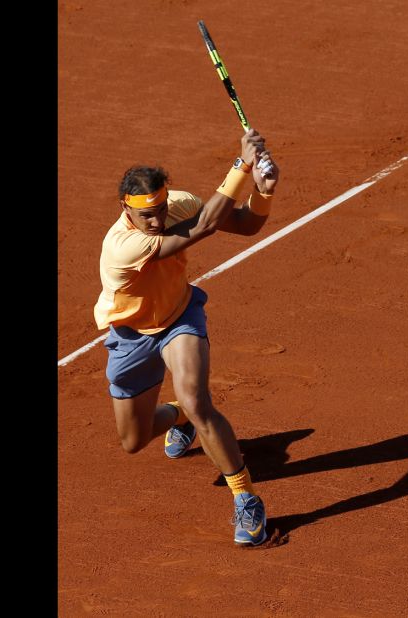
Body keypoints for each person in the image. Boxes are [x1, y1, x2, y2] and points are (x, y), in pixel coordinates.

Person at [93, 129, 279, 546]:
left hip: (179, 318)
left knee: (199, 400)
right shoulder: (122, 246)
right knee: (134, 440)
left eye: (161, 208)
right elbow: (206, 226)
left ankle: (246, 499)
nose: (158, 219)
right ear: (125, 209)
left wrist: (262, 193)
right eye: (147, 215)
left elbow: (245, 225)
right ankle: (177, 416)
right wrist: (242, 165)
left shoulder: (178, 204)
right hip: (131, 336)